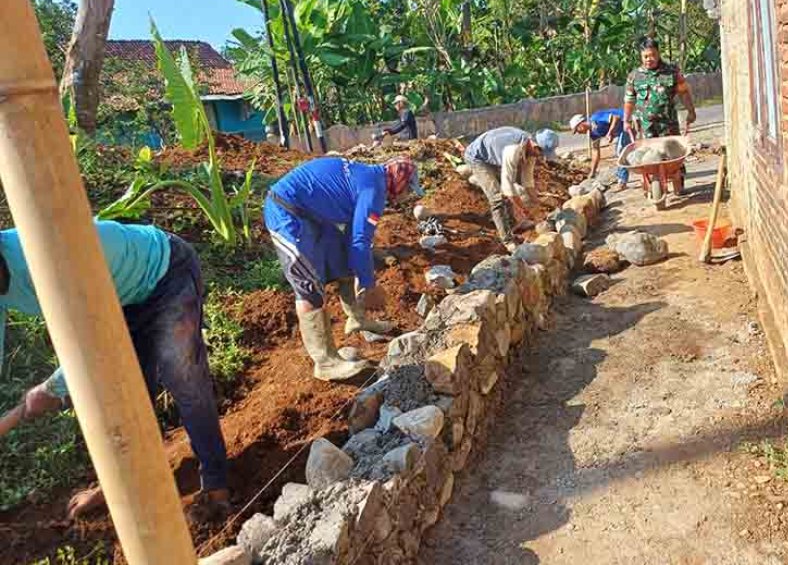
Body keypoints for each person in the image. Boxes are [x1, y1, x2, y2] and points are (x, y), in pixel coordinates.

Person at [0, 220, 228, 519]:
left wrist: (49, 390)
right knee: (123, 395)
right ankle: (123, 483)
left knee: (183, 376)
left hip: (164, 273)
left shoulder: (46, 257)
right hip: (116, 297)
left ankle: (217, 485)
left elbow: (94, 346)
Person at [264, 155, 424, 381]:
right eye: (408, 189)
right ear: (399, 181)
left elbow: (353, 238)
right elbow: (361, 241)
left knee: (343, 262)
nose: (406, 196)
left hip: (312, 215)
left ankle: (357, 319)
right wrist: (369, 286)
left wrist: (362, 274)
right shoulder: (374, 191)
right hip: (286, 212)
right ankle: (325, 362)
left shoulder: (371, 178)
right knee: (308, 286)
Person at [463, 127, 560, 252]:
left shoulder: (531, 151)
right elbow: (508, 187)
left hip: (494, 155)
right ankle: (507, 240)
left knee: (507, 192)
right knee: (497, 198)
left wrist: (537, 202)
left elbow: (527, 181)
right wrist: (523, 209)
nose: (541, 157)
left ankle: (514, 225)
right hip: (477, 157)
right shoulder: (513, 149)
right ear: (535, 145)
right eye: (541, 153)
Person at [624, 37, 696, 139]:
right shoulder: (634, 76)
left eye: (653, 55)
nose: (649, 59)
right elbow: (629, 100)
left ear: (658, 54)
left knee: (671, 153)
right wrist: (626, 121)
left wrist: (691, 111)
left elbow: (684, 93)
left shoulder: (672, 72)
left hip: (669, 127)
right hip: (646, 128)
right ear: (641, 56)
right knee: (649, 154)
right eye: (646, 56)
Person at [569, 109, 631, 192]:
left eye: (577, 130)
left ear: (581, 125)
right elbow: (595, 151)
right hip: (621, 130)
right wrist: (593, 171)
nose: (578, 133)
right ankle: (621, 177)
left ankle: (622, 182)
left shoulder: (595, 118)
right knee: (620, 151)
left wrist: (610, 132)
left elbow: (615, 118)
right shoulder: (593, 133)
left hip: (627, 121)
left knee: (620, 151)